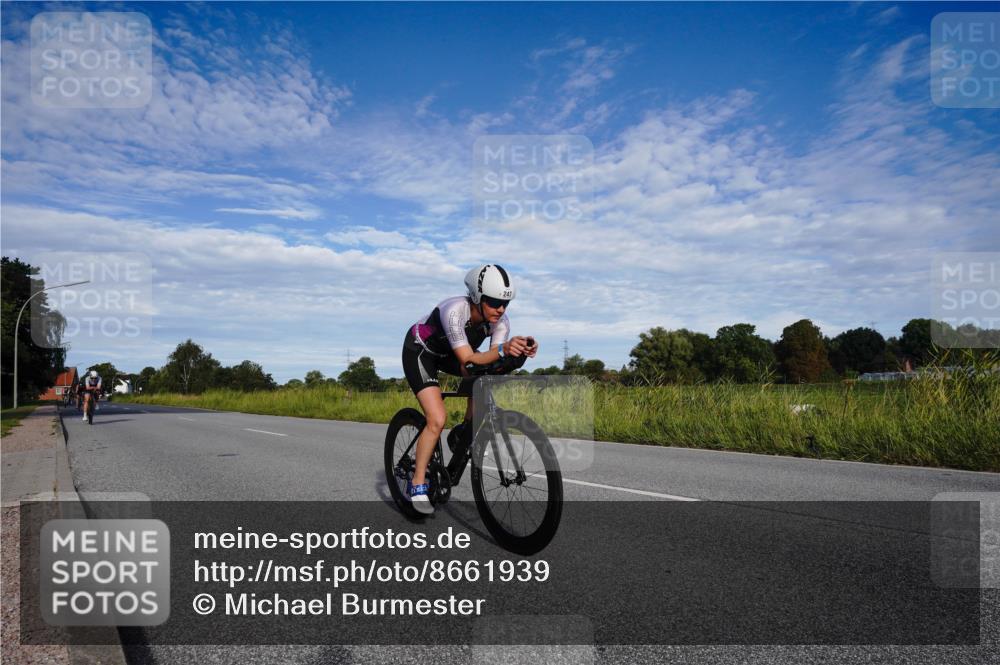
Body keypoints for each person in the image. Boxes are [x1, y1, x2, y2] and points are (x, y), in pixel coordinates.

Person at [401, 264, 537, 514]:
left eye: (506, 303)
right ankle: (418, 482)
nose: (501, 309)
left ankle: (464, 430)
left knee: (484, 377)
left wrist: (518, 353)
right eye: (495, 302)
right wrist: (503, 349)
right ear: (477, 296)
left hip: (454, 354)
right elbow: (468, 359)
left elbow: (490, 360)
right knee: (437, 419)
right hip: (422, 352)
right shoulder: (455, 311)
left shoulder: (500, 321)